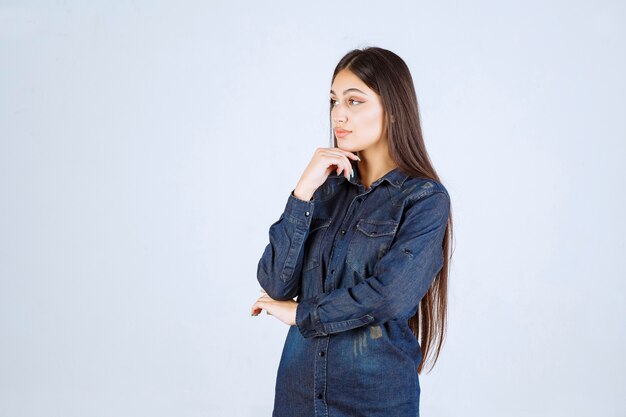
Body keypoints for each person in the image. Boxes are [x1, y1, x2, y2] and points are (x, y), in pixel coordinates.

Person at [250, 46, 454, 417]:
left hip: (374, 399)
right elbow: (276, 284)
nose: (338, 114)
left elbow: (390, 296)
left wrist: (302, 315)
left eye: (354, 101)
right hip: (299, 395)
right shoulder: (324, 191)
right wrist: (303, 191)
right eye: (333, 101)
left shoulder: (424, 199)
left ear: (392, 111)